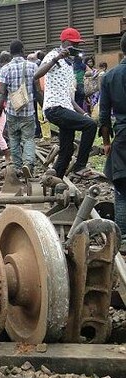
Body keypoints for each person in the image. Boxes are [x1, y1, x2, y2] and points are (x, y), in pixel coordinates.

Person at [34, 27, 98, 179]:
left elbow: (69, 98)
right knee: (90, 126)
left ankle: (56, 184)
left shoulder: (70, 66)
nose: (76, 48)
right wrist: (57, 58)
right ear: (66, 43)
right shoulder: (54, 55)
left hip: (65, 107)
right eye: (74, 44)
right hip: (55, 108)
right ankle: (80, 166)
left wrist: (84, 113)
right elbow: (37, 75)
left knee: (67, 151)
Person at [0, 40, 38, 177]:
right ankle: (28, 163)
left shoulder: (5, 69)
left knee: (13, 139)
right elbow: (38, 91)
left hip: (12, 111)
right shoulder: (33, 66)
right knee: (28, 139)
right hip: (28, 110)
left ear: (10, 52)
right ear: (23, 50)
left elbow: (2, 94)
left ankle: (19, 167)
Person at [99, 32, 126, 247]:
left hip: (123, 138)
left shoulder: (109, 77)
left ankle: (123, 241)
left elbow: (104, 115)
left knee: (122, 190)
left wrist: (106, 143)